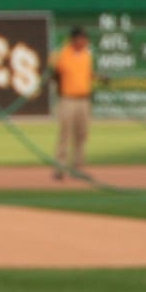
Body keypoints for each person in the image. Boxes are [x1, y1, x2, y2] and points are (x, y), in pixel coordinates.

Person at [48, 26, 96, 181]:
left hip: (83, 99)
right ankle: (59, 168)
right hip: (67, 99)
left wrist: (99, 77)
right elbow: (53, 73)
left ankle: (77, 167)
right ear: (74, 40)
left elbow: (87, 74)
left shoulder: (86, 55)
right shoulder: (62, 54)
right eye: (82, 39)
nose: (84, 42)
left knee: (82, 135)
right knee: (65, 134)